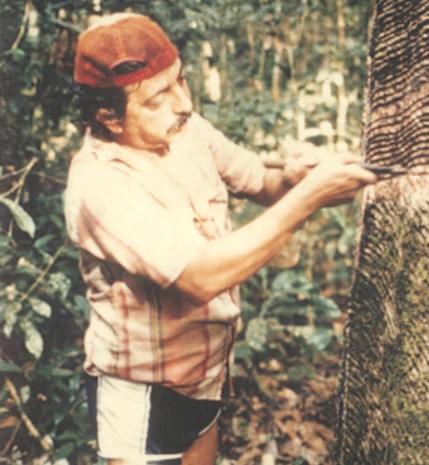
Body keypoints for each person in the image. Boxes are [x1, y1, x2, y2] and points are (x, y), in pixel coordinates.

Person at [64, 12, 376, 465]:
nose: (182, 105)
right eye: (156, 99)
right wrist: (310, 196)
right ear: (107, 116)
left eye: (181, 82)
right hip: (146, 390)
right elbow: (200, 275)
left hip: (205, 377)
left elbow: (263, 184)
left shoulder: (188, 133)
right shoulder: (99, 184)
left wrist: (300, 177)